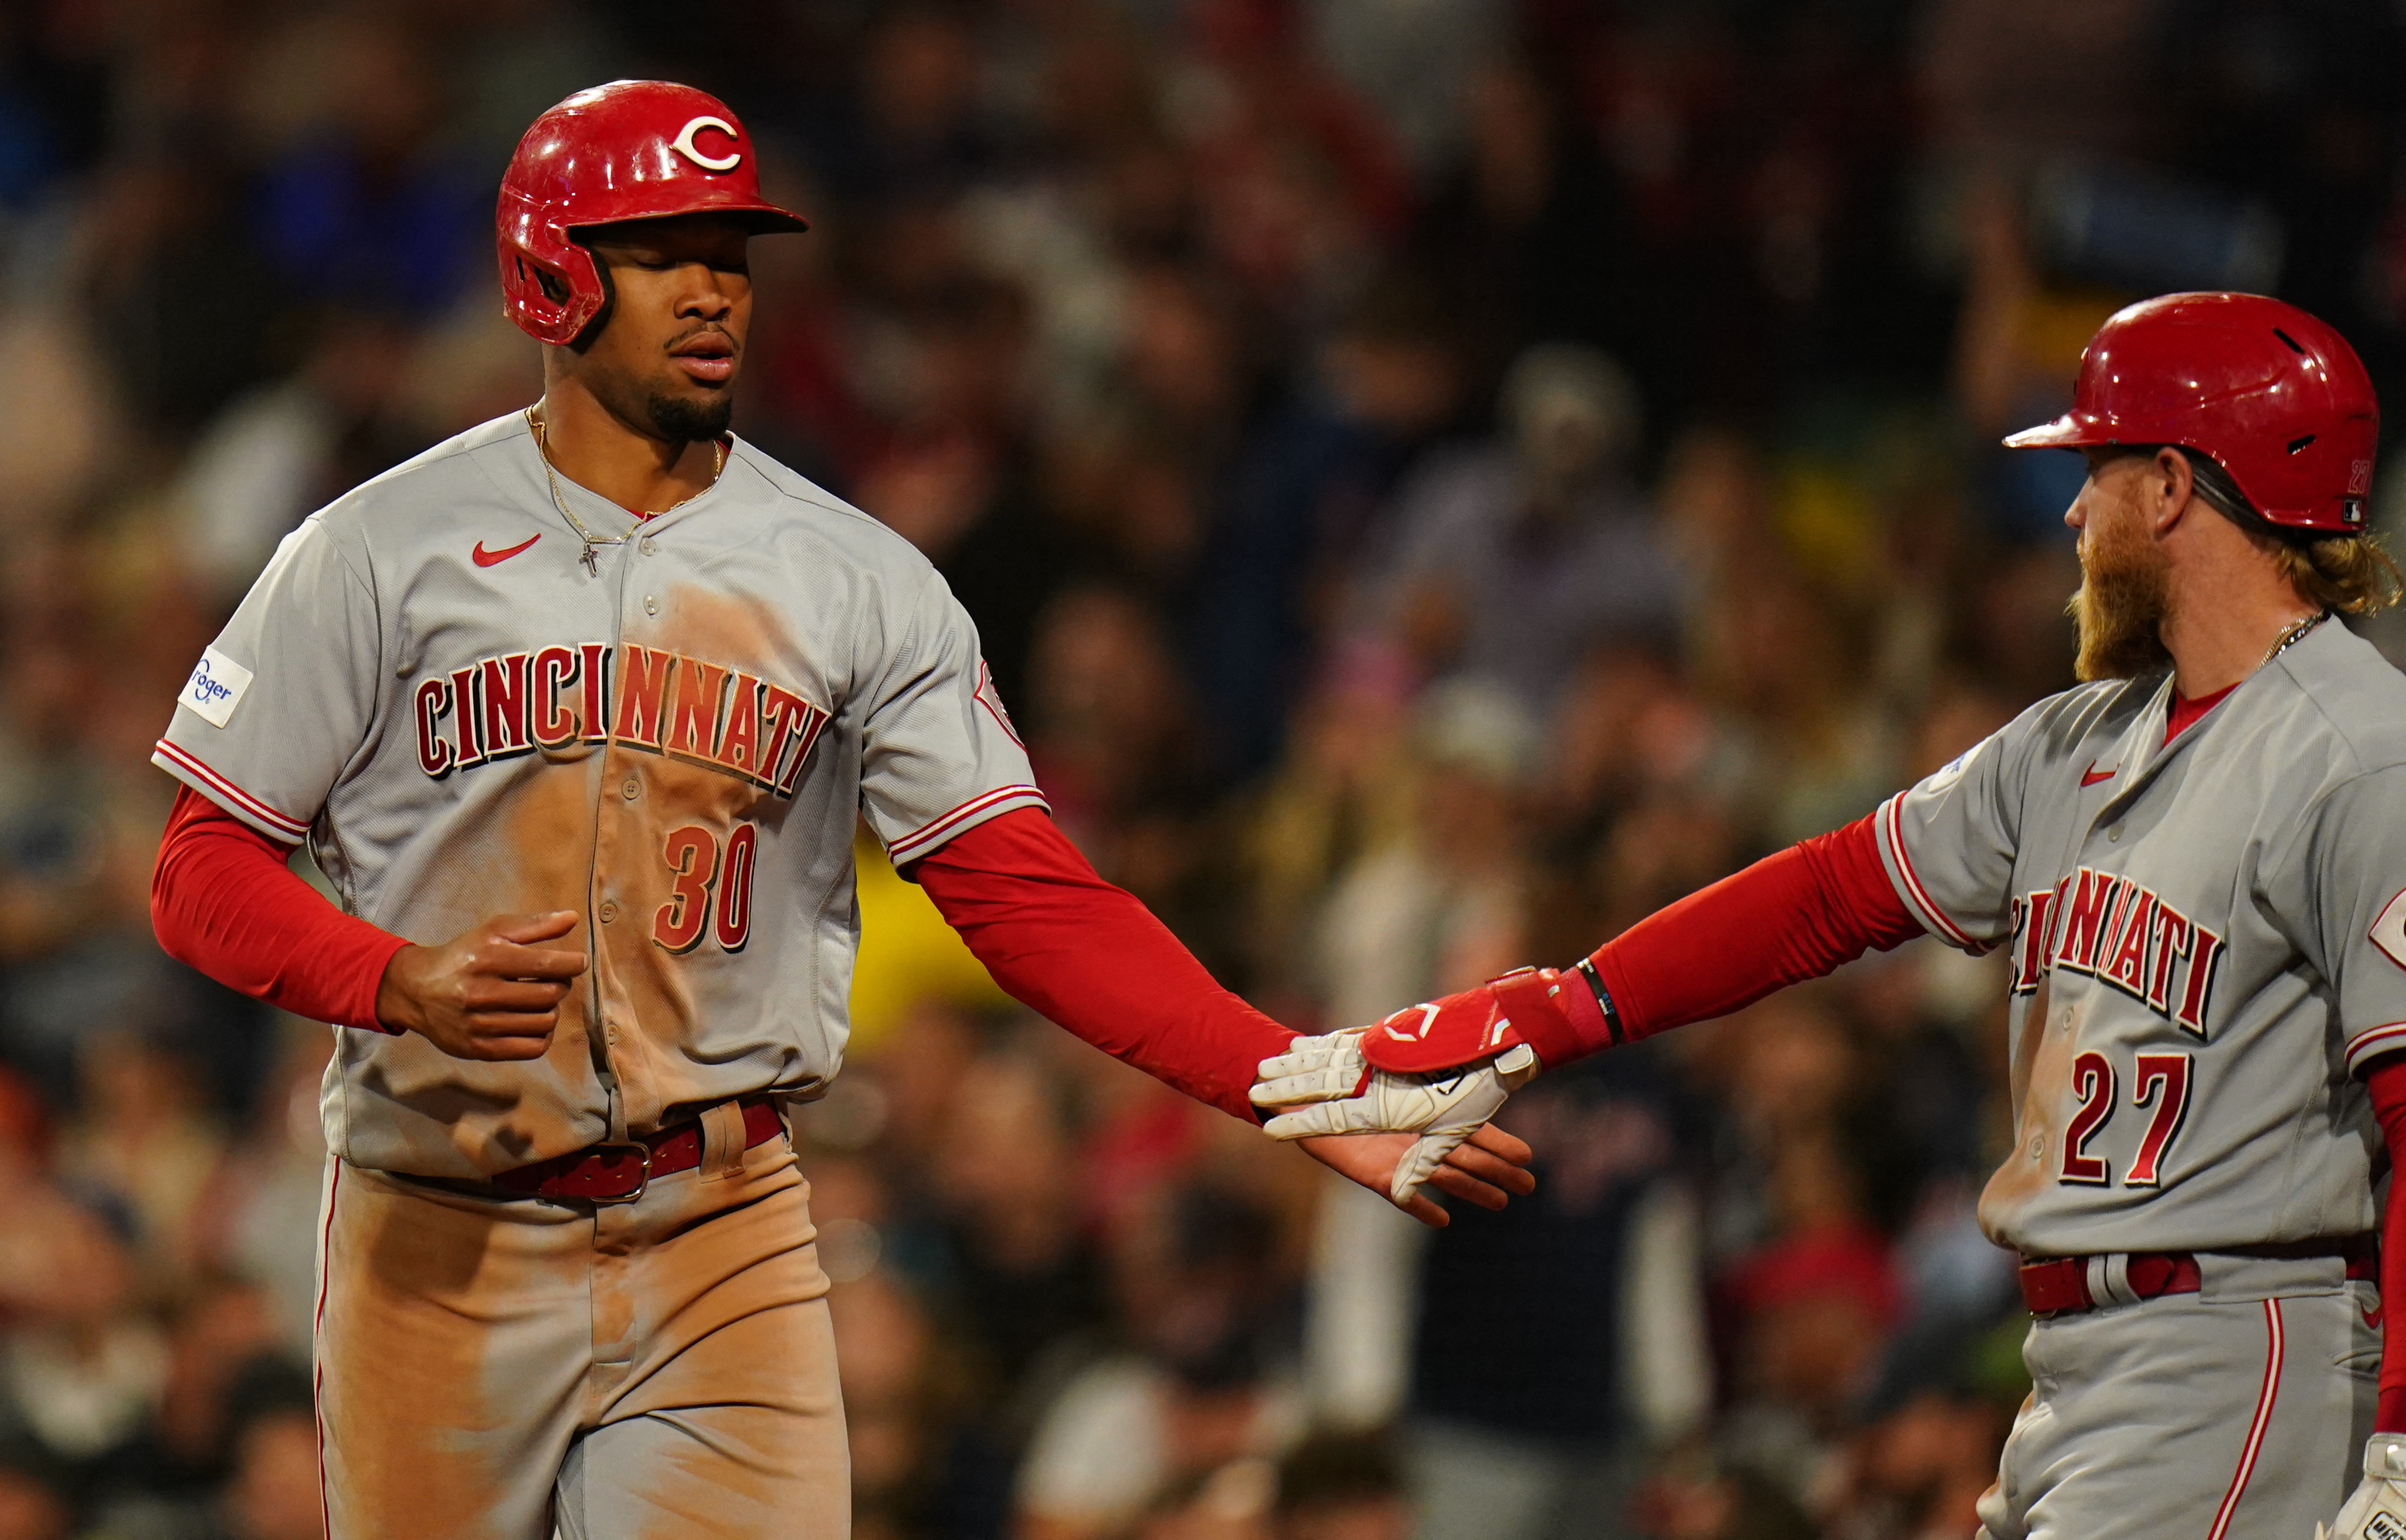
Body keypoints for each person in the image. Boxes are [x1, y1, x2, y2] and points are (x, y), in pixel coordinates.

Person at [143, 80, 1531, 1540]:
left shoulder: (853, 574)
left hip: (720, 1228)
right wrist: (395, 977)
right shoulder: (374, 551)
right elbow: (199, 866)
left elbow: (1030, 897)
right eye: (665, 249)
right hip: (437, 1232)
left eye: (732, 255)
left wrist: (1287, 1077)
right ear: (549, 269)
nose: (714, 292)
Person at [1256, 292, 2406, 1538]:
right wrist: (1540, 1016)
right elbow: (1825, 895)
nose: (2075, 512)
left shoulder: (2362, 754)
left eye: (2098, 471)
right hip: (2082, 1356)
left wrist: (2401, 1436)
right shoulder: (2076, 740)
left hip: (2244, 1339)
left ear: (2175, 487)